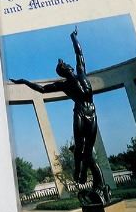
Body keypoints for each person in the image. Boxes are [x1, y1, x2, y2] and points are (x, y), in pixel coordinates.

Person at [11, 29, 107, 196]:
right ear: (62, 72)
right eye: (64, 67)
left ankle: (86, 174)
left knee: (88, 148)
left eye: (67, 65)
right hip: (79, 112)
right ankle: (78, 171)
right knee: (79, 146)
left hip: (92, 112)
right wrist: (24, 81)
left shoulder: (81, 73)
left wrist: (73, 37)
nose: (68, 66)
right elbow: (41, 89)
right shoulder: (63, 85)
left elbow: (79, 53)